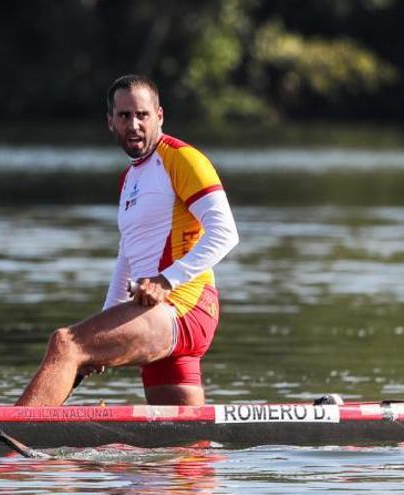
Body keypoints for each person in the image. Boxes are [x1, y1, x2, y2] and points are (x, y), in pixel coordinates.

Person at [16, 75, 238, 406]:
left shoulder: (182, 159)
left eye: (142, 115)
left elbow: (226, 232)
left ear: (159, 116)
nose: (133, 125)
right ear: (110, 122)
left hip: (184, 305)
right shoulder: (130, 178)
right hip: (152, 312)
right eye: (123, 116)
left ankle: (7, 443)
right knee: (183, 447)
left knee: (65, 343)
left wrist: (166, 281)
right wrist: (106, 324)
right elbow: (127, 256)